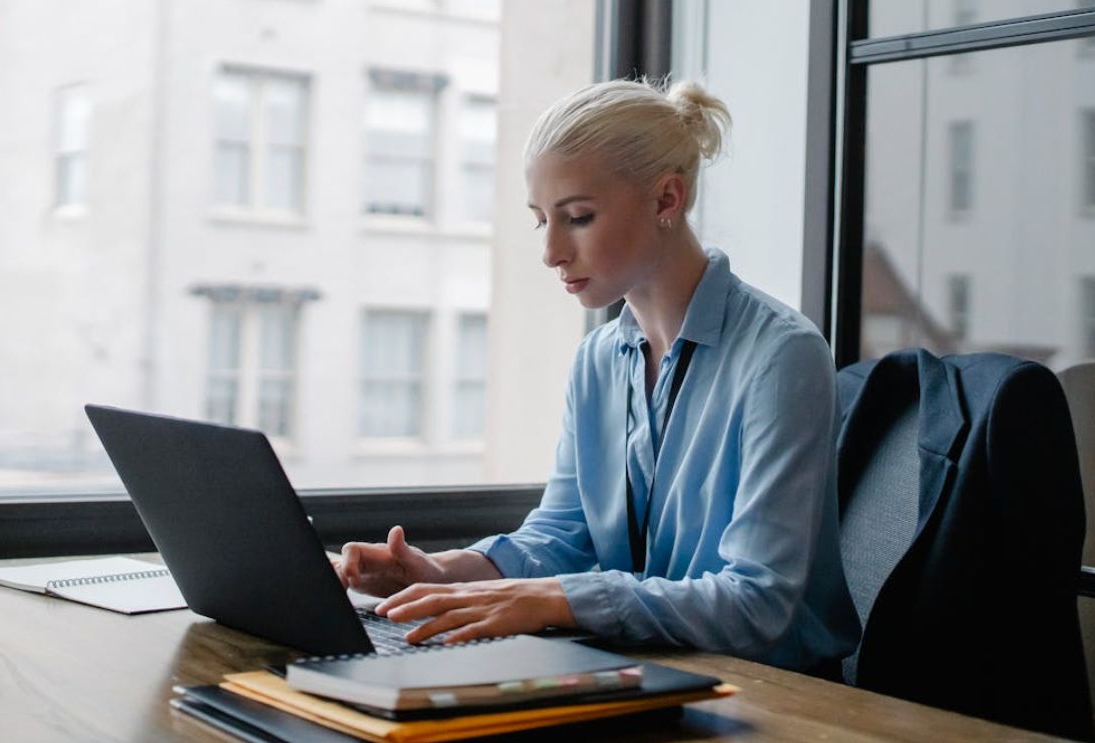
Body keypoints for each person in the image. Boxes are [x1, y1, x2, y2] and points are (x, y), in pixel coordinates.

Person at [333, 78, 860, 674]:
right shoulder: (598, 361)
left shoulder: (781, 356)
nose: (552, 251)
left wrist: (555, 599)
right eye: (541, 222)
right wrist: (444, 572)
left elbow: (756, 604)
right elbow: (563, 536)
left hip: (776, 698)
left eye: (578, 217)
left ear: (667, 200)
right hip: (645, 671)